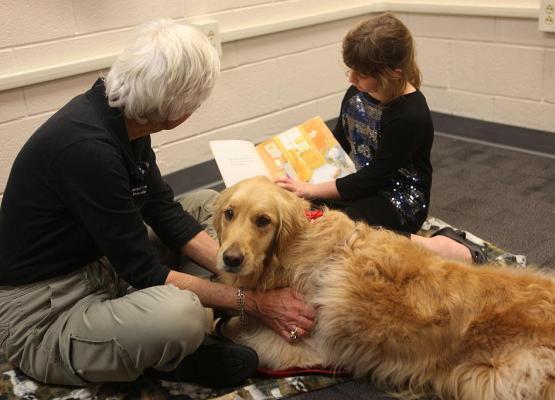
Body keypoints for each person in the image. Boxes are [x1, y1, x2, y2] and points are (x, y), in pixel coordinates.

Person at [0, 19, 314, 388]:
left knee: (204, 204)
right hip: (46, 311)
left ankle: (172, 340)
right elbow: (144, 271)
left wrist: (239, 274)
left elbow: (163, 210)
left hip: (103, 268)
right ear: (177, 108)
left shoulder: (123, 114)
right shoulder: (87, 149)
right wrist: (254, 301)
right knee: (182, 316)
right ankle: (173, 353)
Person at [276, 13, 485, 264]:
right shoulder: (356, 93)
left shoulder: (410, 115)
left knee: (342, 230)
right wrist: (302, 175)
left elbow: (371, 178)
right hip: (364, 184)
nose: (351, 79)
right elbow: (338, 144)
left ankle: (437, 246)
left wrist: (310, 188)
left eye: (361, 74)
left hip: (399, 199)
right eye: (351, 70)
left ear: (393, 74)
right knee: (304, 210)